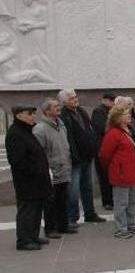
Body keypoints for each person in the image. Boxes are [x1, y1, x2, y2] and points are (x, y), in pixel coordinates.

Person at [6, 104, 54, 250]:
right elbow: (17, 161)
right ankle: (24, 241)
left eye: (34, 113)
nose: (33, 116)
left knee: (36, 210)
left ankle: (33, 236)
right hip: (27, 182)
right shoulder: (15, 134)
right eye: (30, 113)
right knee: (27, 211)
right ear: (19, 116)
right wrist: (36, 170)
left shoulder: (26, 130)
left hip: (37, 181)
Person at [58, 89, 105, 226]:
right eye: (72, 98)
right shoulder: (63, 115)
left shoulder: (81, 111)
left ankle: (90, 213)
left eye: (75, 96)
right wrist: (73, 155)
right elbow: (68, 138)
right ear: (64, 101)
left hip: (87, 155)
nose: (75, 99)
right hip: (75, 158)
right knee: (73, 190)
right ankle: (72, 217)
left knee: (87, 187)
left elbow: (89, 130)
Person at [98, 106, 135, 239]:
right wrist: (115, 167)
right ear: (117, 118)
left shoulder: (129, 130)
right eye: (126, 114)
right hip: (121, 173)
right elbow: (104, 155)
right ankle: (121, 227)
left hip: (132, 172)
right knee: (121, 202)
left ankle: (131, 223)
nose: (129, 116)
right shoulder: (113, 133)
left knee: (133, 200)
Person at [32, 99, 74, 239]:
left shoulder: (61, 124)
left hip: (64, 168)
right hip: (51, 171)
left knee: (63, 199)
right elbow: (38, 153)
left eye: (58, 105)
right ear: (46, 111)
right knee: (51, 202)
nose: (58, 108)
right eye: (55, 106)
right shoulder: (40, 129)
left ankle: (63, 225)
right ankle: (51, 228)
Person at [91, 92, 116, 210]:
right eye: (111, 100)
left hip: (109, 147)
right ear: (104, 100)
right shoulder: (99, 111)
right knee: (104, 176)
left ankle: (112, 199)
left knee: (110, 175)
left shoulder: (109, 111)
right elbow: (101, 127)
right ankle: (107, 201)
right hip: (101, 147)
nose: (112, 102)